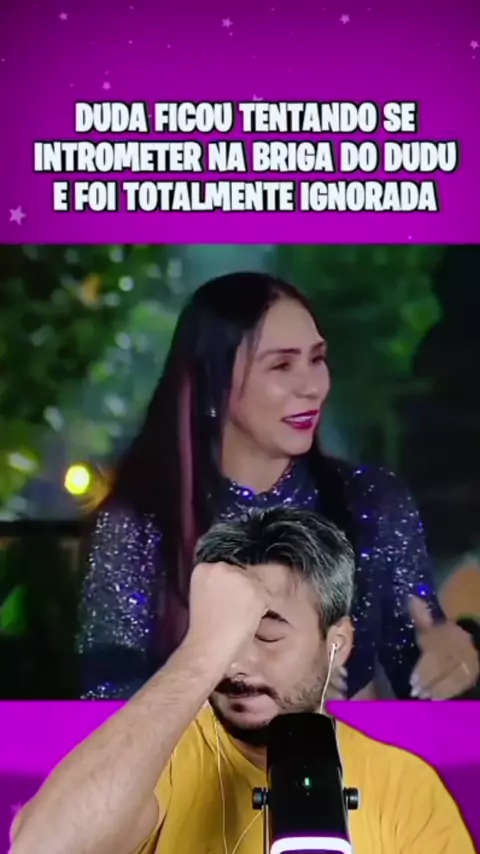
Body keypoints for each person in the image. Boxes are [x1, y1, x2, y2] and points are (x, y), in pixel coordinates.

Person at [77, 271, 479, 701]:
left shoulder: (373, 503)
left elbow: (418, 663)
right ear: (214, 386)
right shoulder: (139, 521)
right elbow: (105, 696)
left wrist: (457, 656)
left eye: (317, 360)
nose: (313, 387)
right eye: (282, 365)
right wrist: (235, 688)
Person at [11, 509, 475, 854]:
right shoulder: (158, 761)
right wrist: (200, 652)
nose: (237, 662)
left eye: (268, 633)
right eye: (227, 634)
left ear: (337, 642)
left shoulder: (405, 786)